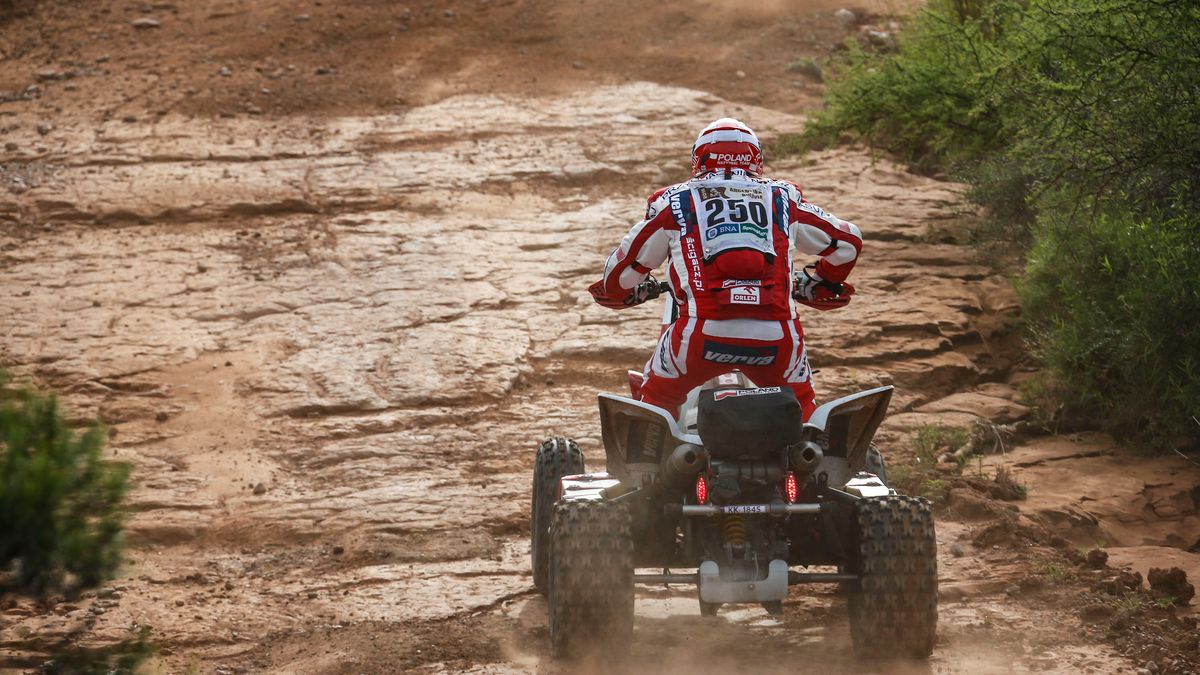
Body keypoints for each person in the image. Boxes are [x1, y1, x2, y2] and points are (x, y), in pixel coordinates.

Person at [588, 118, 862, 421]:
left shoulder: (674, 200)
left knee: (657, 396)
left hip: (701, 332)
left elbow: (619, 275)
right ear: (756, 158)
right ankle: (811, 445)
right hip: (777, 335)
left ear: (698, 159)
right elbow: (848, 244)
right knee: (803, 407)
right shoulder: (783, 197)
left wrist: (623, 291)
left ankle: (650, 451)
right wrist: (822, 282)